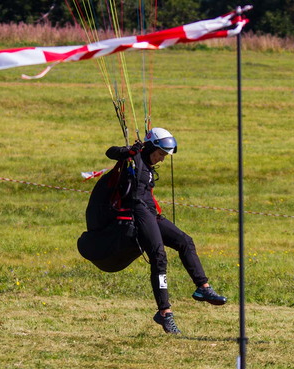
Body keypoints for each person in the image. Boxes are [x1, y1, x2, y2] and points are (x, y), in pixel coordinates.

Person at [80, 127, 226, 334]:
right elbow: (111, 152)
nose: (161, 160)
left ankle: (203, 288)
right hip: (137, 211)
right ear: (150, 147)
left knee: (185, 241)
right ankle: (164, 312)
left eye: (165, 156)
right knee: (158, 255)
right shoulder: (134, 159)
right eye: (160, 154)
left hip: (150, 213)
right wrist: (129, 151)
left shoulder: (147, 165)